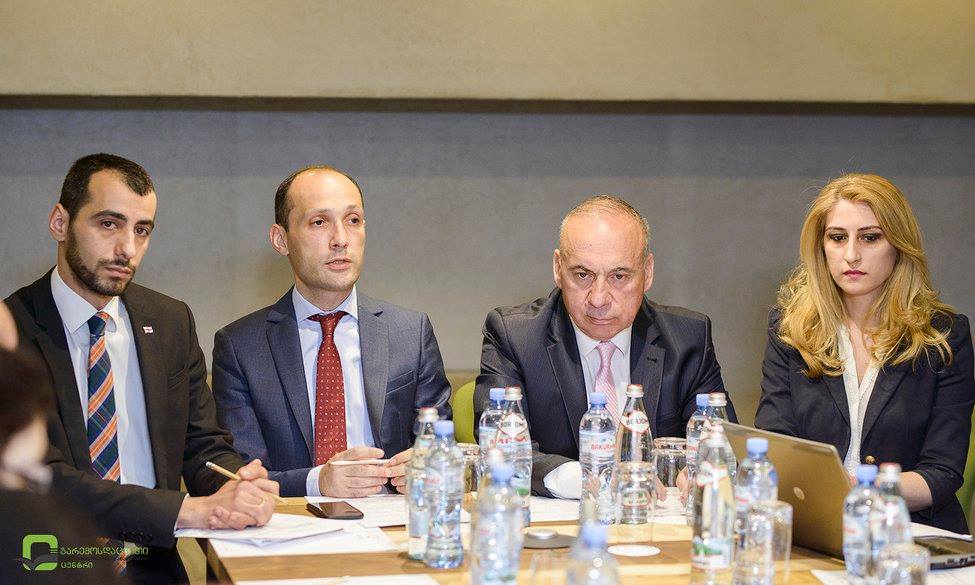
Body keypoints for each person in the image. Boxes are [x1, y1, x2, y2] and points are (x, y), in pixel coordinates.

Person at [5, 154, 280, 584]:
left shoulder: (170, 321)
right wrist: (186, 510)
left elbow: (203, 446)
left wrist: (233, 486)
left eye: (142, 230)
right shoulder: (10, 330)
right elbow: (43, 475)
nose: (127, 250)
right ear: (60, 223)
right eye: (108, 224)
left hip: (154, 568)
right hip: (50, 564)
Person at [212, 165, 452, 498]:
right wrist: (318, 480)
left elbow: (442, 447)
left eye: (353, 220)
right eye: (319, 222)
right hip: (292, 519)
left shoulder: (410, 333)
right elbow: (240, 473)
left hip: (395, 516)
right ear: (281, 239)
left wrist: (430, 466)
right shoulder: (241, 347)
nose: (341, 239)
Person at [475, 195, 736, 498]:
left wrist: (699, 471)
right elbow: (499, 450)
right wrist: (592, 479)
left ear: (647, 272)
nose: (599, 298)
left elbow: (723, 445)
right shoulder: (515, 336)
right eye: (582, 275)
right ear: (558, 268)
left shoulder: (688, 339)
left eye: (619, 276)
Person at [755, 173, 974, 533]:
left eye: (870, 237)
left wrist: (859, 490)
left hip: (911, 533)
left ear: (899, 245)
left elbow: (942, 473)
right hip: (814, 528)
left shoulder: (943, 336)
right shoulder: (791, 328)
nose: (851, 255)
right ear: (821, 246)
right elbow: (776, 444)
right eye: (837, 237)